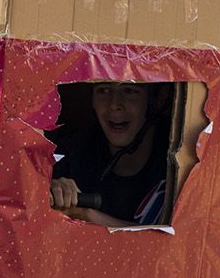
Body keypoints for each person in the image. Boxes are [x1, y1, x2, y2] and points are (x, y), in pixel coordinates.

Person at [49, 81, 171, 228]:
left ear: (159, 99)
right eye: (104, 90)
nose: (114, 104)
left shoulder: (185, 156)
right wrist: (52, 192)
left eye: (130, 91)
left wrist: (87, 216)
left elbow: (179, 242)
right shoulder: (69, 154)